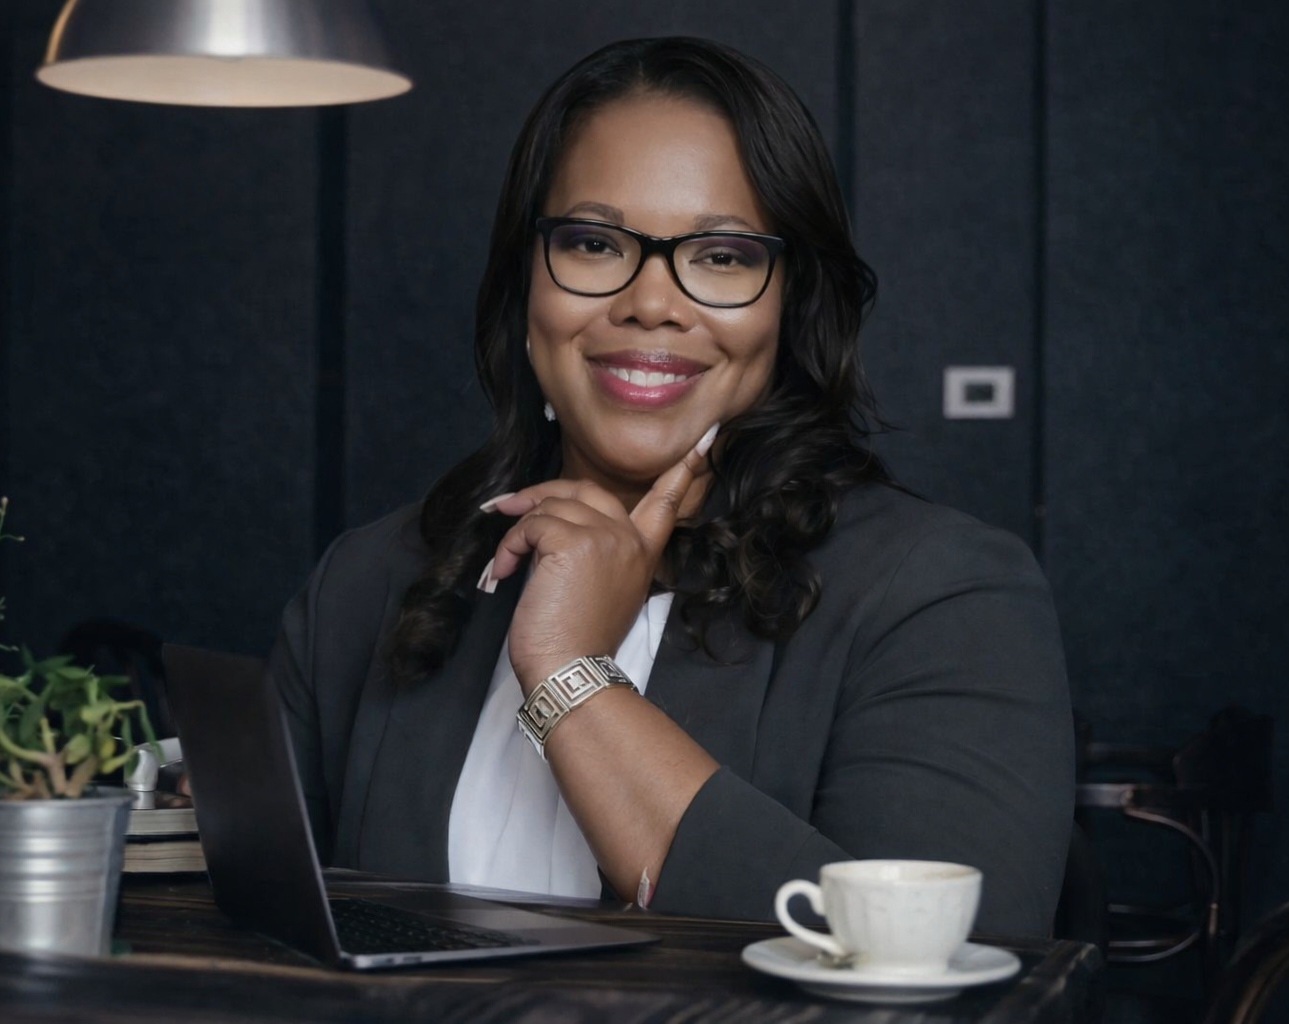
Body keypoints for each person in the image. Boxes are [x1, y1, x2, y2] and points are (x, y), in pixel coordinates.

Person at [268, 36, 1074, 937]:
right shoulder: (367, 583)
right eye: (592, 241)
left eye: (723, 255)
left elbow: (947, 970)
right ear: (523, 282)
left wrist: (572, 674)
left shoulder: (943, 594)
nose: (652, 300)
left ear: (790, 303)